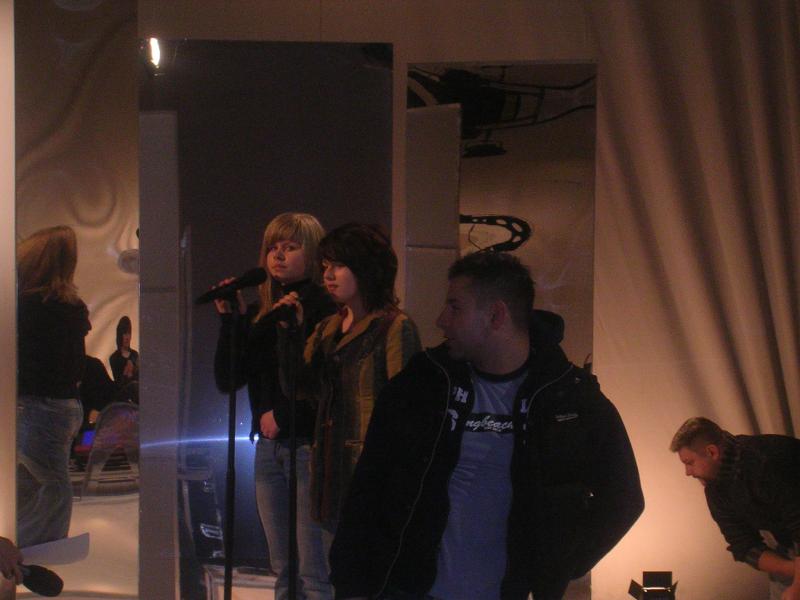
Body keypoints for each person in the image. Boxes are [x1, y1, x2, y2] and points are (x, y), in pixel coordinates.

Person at [329, 251, 644, 600]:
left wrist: (558, 564)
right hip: (408, 589)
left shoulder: (567, 397)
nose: (441, 320)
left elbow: (624, 498)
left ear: (496, 315)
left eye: (455, 307)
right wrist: (350, 581)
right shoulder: (423, 383)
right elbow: (369, 485)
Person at [213, 212, 337, 600]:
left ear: (312, 254)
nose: (278, 255)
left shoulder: (325, 308)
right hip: (269, 449)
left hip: (308, 447)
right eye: (272, 247)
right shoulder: (261, 312)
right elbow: (228, 379)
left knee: (314, 570)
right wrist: (231, 322)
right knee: (283, 566)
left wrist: (283, 415)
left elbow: (326, 384)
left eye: (290, 247)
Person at [278, 223, 421, 545]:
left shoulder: (393, 326)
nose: (328, 275)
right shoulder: (328, 328)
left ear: (366, 268)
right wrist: (291, 334)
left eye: (339, 265)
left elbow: (407, 412)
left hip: (371, 480)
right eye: (325, 266)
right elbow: (299, 388)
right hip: (330, 479)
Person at [17, 225, 91, 548]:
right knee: (39, 483)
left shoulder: (26, 306)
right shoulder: (72, 308)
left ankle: (30, 551)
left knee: (49, 486)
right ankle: (29, 551)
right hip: (64, 406)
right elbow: (76, 368)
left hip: (37, 406)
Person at [671, 417, 800, 600]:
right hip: (791, 547)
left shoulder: (766, 460)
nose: (687, 472)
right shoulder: (715, 489)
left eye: (689, 462)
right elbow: (744, 545)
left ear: (712, 452)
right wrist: (791, 569)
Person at [109, 316, 139, 403]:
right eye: (124, 334)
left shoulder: (135, 354)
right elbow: (118, 384)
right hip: (122, 394)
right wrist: (126, 373)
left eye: (129, 333)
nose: (127, 337)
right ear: (119, 335)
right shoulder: (114, 357)